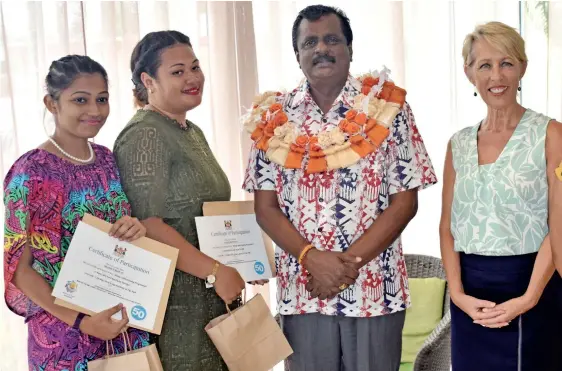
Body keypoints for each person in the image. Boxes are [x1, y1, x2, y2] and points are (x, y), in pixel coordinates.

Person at [242, 5, 437, 371]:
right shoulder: (271, 117)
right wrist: (312, 259)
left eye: (332, 39)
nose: (321, 49)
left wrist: (346, 266)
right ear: (297, 54)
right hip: (303, 292)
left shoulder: (388, 108)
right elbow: (264, 208)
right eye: (310, 42)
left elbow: (405, 201)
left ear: (350, 48)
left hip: (375, 289)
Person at [113, 31, 250, 371]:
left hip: (210, 295)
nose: (192, 78)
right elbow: (147, 225)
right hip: (175, 306)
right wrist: (216, 272)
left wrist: (244, 259)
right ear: (149, 81)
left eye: (195, 67)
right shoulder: (145, 133)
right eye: (177, 72)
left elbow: (203, 214)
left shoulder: (191, 130)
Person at [3, 55, 150, 371]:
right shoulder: (32, 171)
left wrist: (133, 227)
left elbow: (115, 232)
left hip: (121, 326)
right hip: (64, 337)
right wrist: (82, 322)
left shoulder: (107, 159)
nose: (95, 111)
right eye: (80, 100)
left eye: (102, 99)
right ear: (52, 103)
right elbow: (19, 268)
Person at [440, 21, 562, 371]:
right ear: (469, 73)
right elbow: (447, 227)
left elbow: (559, 225)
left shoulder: (551, 134)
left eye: (507, 62)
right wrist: (458, 295)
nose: (497, 75)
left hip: (532, 287)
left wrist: (529, 297)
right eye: (485, 65)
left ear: (523, 67)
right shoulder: (458, 143)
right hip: (469, 298)